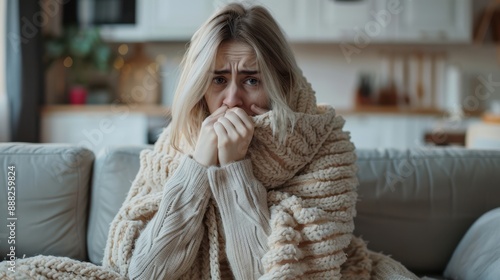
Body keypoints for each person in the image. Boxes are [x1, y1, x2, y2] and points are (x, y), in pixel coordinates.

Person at [0, 3, 418, 280]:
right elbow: (145, 273)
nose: (232, 99)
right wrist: (198, 168)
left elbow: (273, 274)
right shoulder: (177, 141)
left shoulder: (326, 144)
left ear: (280, 83)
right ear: (201, 85)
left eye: (251, 80)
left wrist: (236, 171)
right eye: (218, 80)